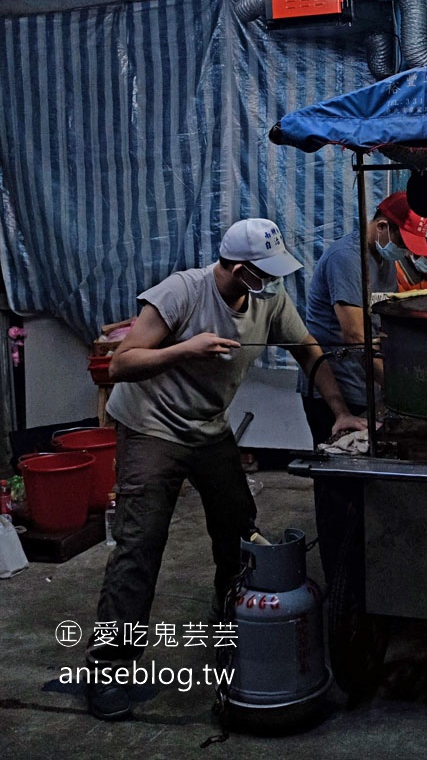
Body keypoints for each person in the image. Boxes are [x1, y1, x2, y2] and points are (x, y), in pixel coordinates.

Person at [84, 218, 364, 720]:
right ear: (237, 269)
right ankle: (109, 668)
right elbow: (121, 364)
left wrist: (341, 410)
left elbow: (309, 352)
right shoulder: (182, 292)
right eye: (262, 273)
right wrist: (183, 349)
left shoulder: (269, 300)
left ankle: (228, 631)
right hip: (150, 428)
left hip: (207, 428)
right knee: (139, 545)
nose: (272, 284)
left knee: (240, 535)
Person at [301, 191, 427, 447]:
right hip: (336, 388)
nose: (405, 251)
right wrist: (402, 391)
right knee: (339, 472)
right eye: (402, 242)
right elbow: (355, 336)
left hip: (364, 384)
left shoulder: (384, 261)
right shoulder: (347, 258)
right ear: (382, 226)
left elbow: (382, 318)